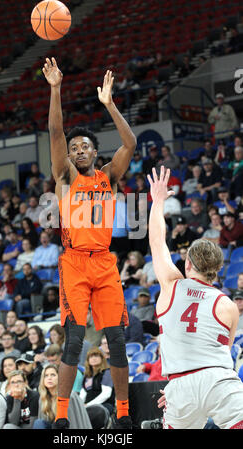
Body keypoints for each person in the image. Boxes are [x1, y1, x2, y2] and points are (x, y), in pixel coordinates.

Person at [43, 58, 136, 430]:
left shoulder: (109, 177)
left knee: (116, 338)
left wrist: (110, 105)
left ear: (95, 153)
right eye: (75, 147)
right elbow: (54, 133)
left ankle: (126, 414)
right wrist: (55, 89)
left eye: (85, 146)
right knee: (74, 340)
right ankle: (63, 414)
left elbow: (130, 142)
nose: (78, 150)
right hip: (75, 264)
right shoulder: (65, 175)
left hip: (104, 263)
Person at [147, 165, 243, 429]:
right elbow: (224, 349)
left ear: (187, 263)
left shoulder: (170, 285)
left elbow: (157, 240)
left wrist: (158, 201)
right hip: (219, 380)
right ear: (218, 269)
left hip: (180, 385)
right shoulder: (227, 305)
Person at [33, 364, 92, 429]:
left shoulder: (68, 395)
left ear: (60, 377)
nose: (49, 378)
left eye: (53, 375)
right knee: (39, 422)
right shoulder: (43, 398)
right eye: (46, 376)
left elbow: (74, 422)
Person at [79, 347, 115, 429]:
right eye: (91, 357)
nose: (94, 358)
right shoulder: (87, 376)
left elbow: (106, 394)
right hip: (87, 406)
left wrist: (88, 405)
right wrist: (80, 406)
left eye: (96, 356)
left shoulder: (107, 372)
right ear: (88, 360)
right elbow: (83, 394)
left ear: (102, 359)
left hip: (104, 406)